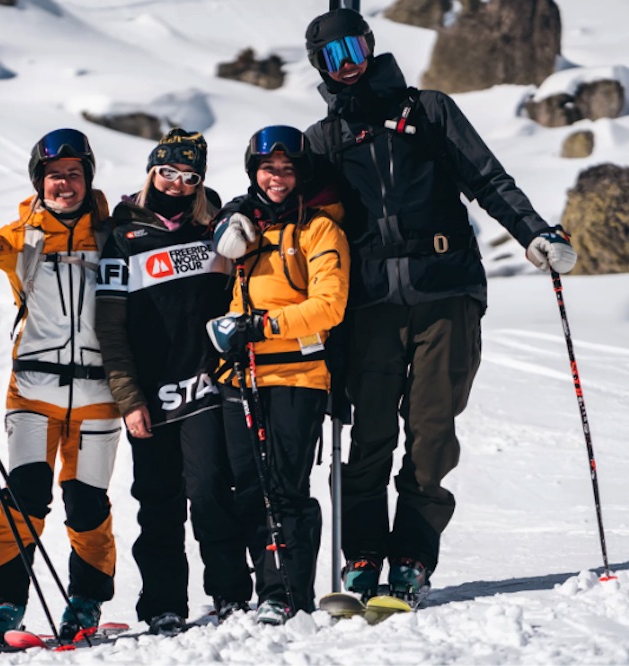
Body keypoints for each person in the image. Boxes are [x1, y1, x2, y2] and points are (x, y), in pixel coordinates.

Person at [301, 8, 579, 602]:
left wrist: (533, 233)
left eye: (354, 48)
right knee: (369, 437)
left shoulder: (428, 110)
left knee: (431, 433)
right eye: (332, 56)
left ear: (370, 45)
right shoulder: (323, 140)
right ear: (319, 66)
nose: (347, 63)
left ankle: (411, 559)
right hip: (369, 308)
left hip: (445, 293)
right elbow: (288, 210)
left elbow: (487, 178)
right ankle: (363, 557)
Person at [95, 129, 252, 635]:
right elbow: (111, 328)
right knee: (158, 502)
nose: (178, 185)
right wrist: (128, 398)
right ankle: (163, 604)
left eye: (190, 177)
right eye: (168, 173)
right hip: (150, 394)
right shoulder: (122, 236)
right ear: (151, 172)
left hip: (207, 387)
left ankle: (230, 594)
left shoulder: (215, 230)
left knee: (211, 493)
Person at [0, 128, 121, 647]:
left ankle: (85, 602)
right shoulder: (18, 237)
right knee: (23, 500)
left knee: (88, 505)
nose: (65, 184)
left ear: (88, 178)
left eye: (74, 174)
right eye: (55, 175)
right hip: (32, 393)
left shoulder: (114, 234)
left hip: (100, 398)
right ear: (40, 181)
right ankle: (5, 605)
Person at [207, 125, 350, 624]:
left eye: (288, 169)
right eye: (269, 169)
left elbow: (329, 306)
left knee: (285, 487)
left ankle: (287, 592)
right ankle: (266, 587)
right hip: (241, 378)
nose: (278, 178)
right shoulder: (242, 230)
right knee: (248, 487)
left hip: (298, 376)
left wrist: (262, 326)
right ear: (254, 172)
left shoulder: (320, 230)